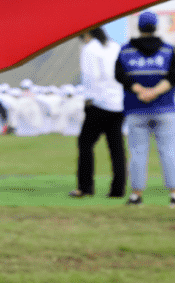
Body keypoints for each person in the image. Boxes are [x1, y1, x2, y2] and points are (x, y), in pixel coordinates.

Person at [114, 11, 175, 208]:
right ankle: (174, 195)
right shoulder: (168, 50)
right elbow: (173, 77)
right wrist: (155, 92)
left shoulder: (125, 51)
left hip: (135, 109)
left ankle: (136, 196)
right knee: (169, 152)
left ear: (139, 28)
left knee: (138, 153)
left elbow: (121, 76)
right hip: (164, 108)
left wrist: (141, 91)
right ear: (155, 27)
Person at [70, 27, 125, 198]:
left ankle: (85, 187)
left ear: (86, 34)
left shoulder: (89, 49)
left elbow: (89, 77)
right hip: (118, 103)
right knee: (116, 147)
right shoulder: (114, 46)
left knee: (85, 144)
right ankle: (118, 190)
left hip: (99, 103)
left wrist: (88, 101)